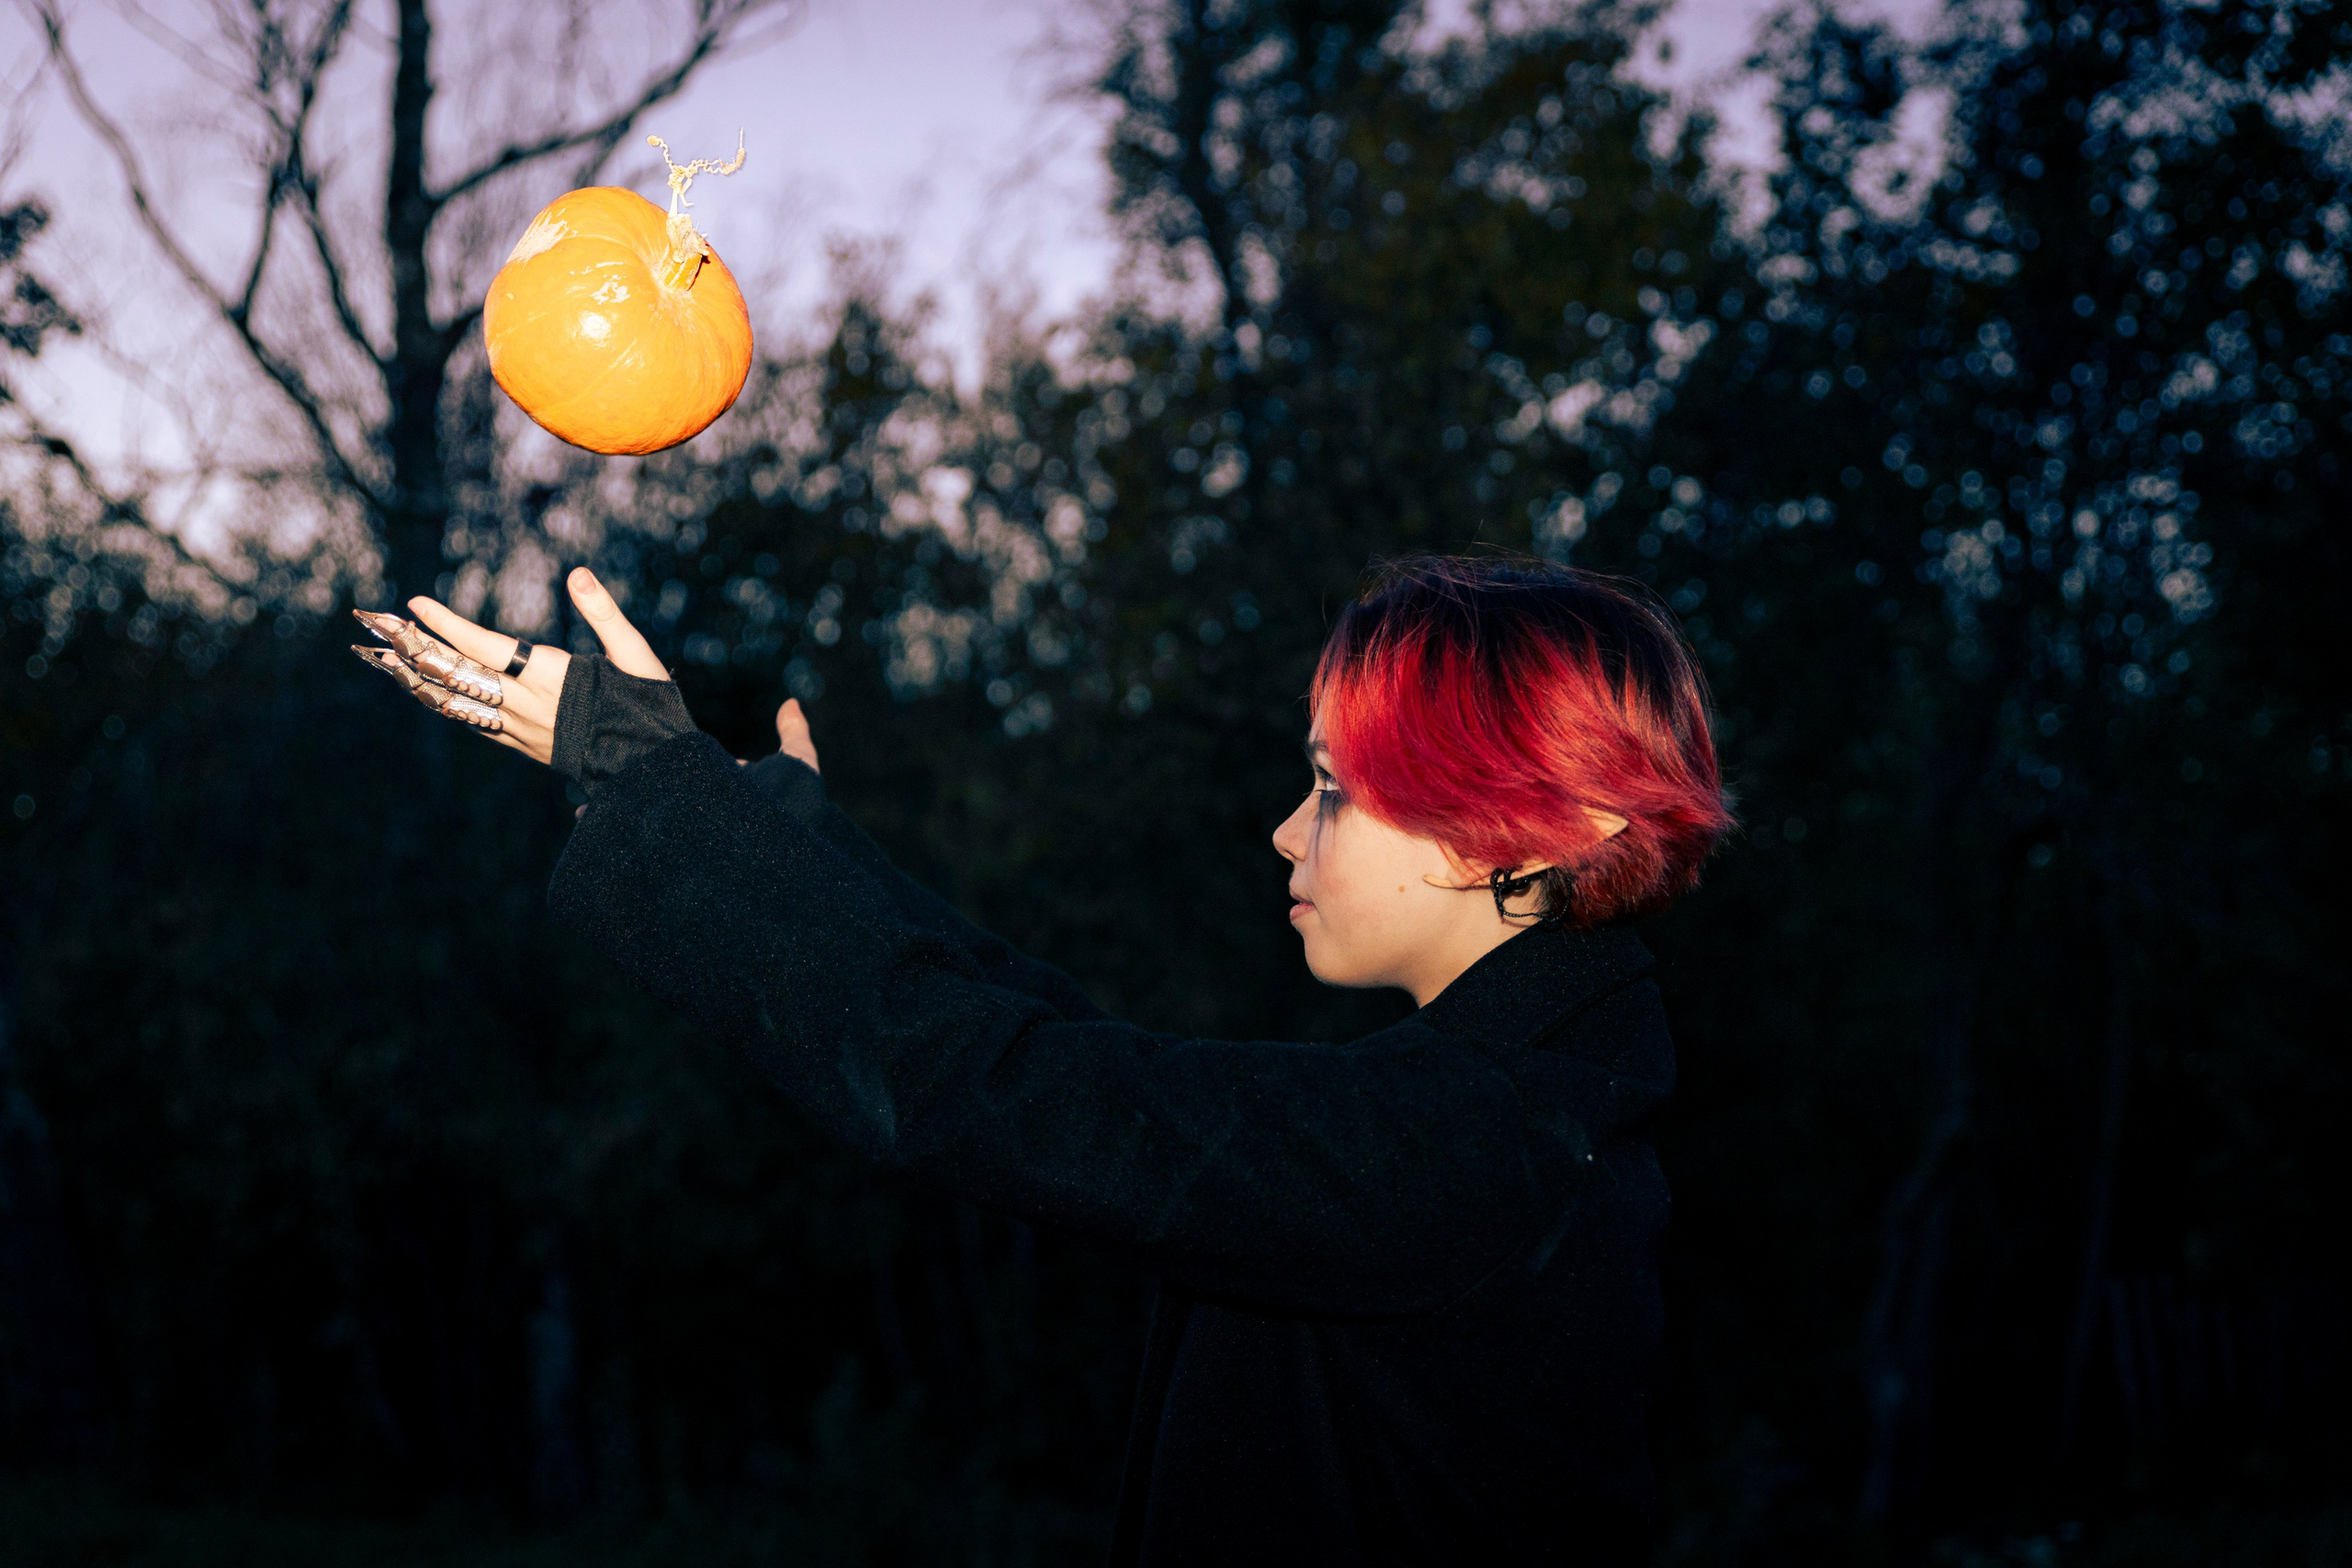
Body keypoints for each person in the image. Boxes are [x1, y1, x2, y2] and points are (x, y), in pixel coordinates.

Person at [356, 553, 1731, 1565]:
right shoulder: (1527, 1107)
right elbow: (1070, 1061)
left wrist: (662, 791)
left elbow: (999, 1089)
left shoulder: (1475, 1149)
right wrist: (773, 843)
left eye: (1333, 789)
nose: (1285, 832)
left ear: (1511, 832)